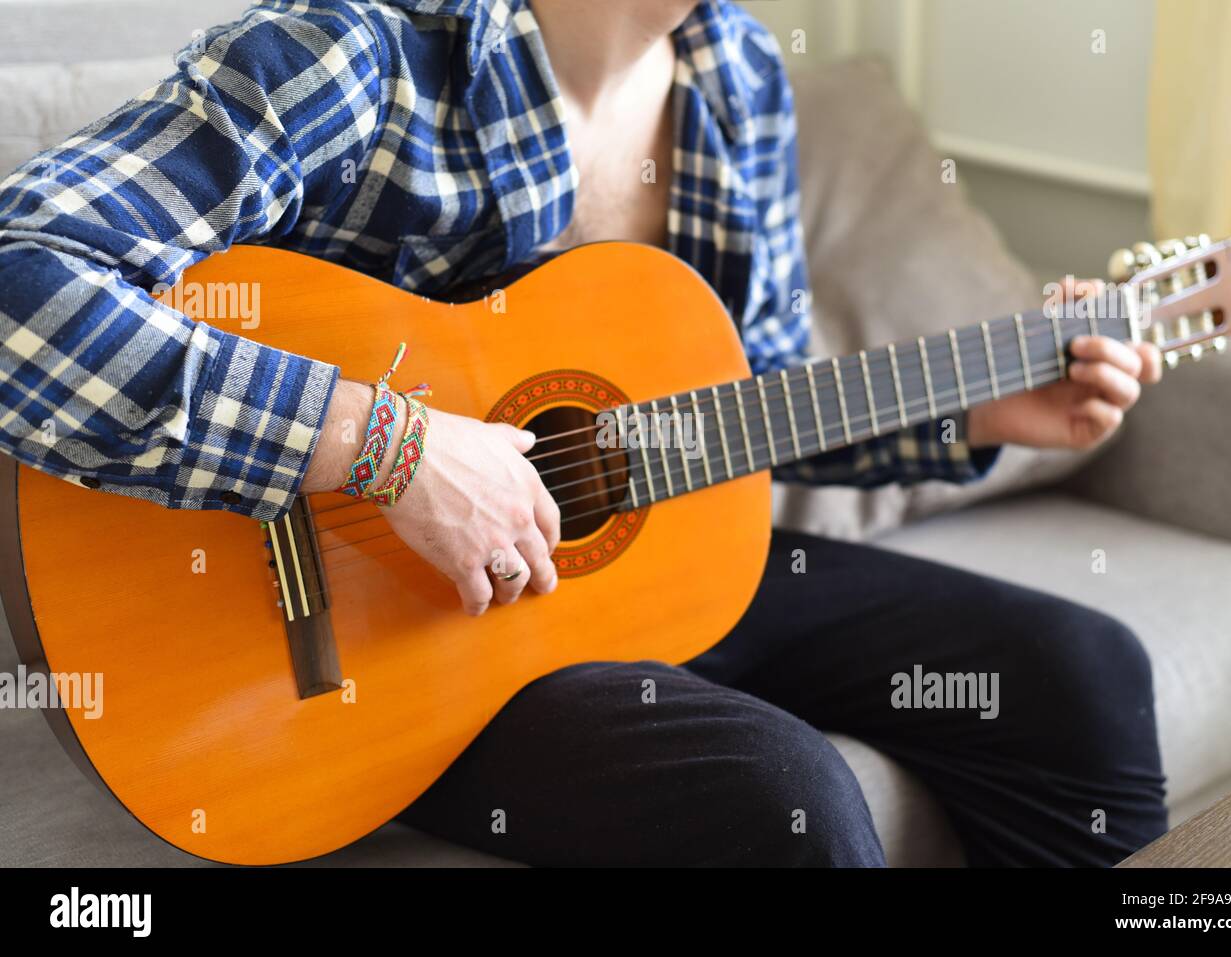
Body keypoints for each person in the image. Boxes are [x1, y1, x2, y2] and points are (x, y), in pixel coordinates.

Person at [0, 0, 1167, 865]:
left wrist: (969, 411)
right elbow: (25, 277)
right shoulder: (355, 56)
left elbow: (726, 406)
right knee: (783, 803)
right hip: (370, 649)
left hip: (637, 581)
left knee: (1083, 672)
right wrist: (387, 449)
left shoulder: (735, 71)